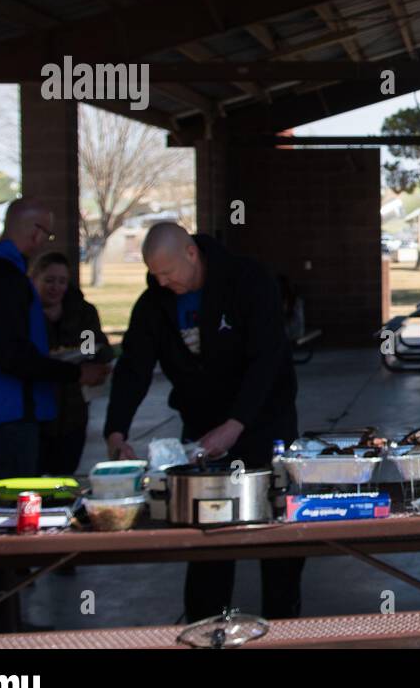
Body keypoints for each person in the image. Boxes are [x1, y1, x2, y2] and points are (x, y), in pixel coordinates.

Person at [104, 223, 304, 621]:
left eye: (167, 273)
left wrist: (236, 424)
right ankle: (205, 627)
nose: (162, 282)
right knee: (208, 535)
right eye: (154, 275)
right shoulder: (155, 303)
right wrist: (116, 429)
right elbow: (133, 367)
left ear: (191, 253)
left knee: (278, 536)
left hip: (264, 423)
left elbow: (268, 360)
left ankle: (284, 629)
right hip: (201, 432)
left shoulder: (248, 281)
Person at [0, 199, 111, 633]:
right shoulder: (5, 276)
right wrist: (74, 372)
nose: (45, 241)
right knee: (5, 532)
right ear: (31, 231)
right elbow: (13, 354)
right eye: (45, 233)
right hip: (4, 418)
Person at [29, 252, 113, 476]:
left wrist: (89, 357)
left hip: (73, 412)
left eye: (62, 281)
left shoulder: (82, 313)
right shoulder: (24, 313)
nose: (55, 287)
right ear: (34, 278)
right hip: (34, 415)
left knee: (64, 476)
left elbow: (96, 346)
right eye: (49, 280)